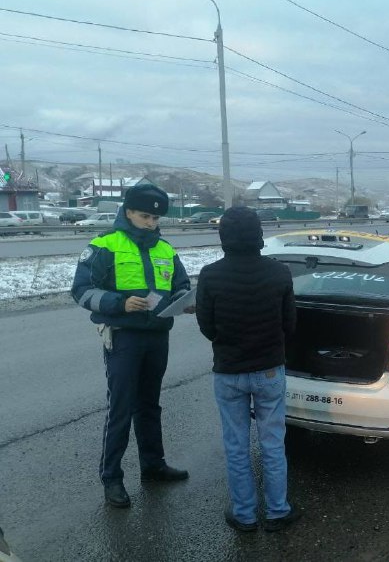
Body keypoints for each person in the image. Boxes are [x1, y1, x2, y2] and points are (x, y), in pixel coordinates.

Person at [71, 183, 191, 508]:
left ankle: (154, 465)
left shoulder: (165, 249)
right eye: (144, 215)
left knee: (150, 405)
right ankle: (112, 478)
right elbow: (81, 290)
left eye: (155, 217)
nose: (150, 222)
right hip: (124, 336)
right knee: (121, 408)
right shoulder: (104, 245)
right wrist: (118, 303)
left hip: (157, 336)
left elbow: (181, 285)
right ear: (128, 212)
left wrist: (184, 301)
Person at [195, 206, 300, 533]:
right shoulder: (279, 272)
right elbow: (290, 324)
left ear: (223, 237)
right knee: (272, 443)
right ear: (259, 235)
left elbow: (206, 326)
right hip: (269, 370)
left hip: (228, 372)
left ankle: (244, 515)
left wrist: (227, 341)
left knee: (236, 446)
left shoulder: (210, 275)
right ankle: (278, 511)